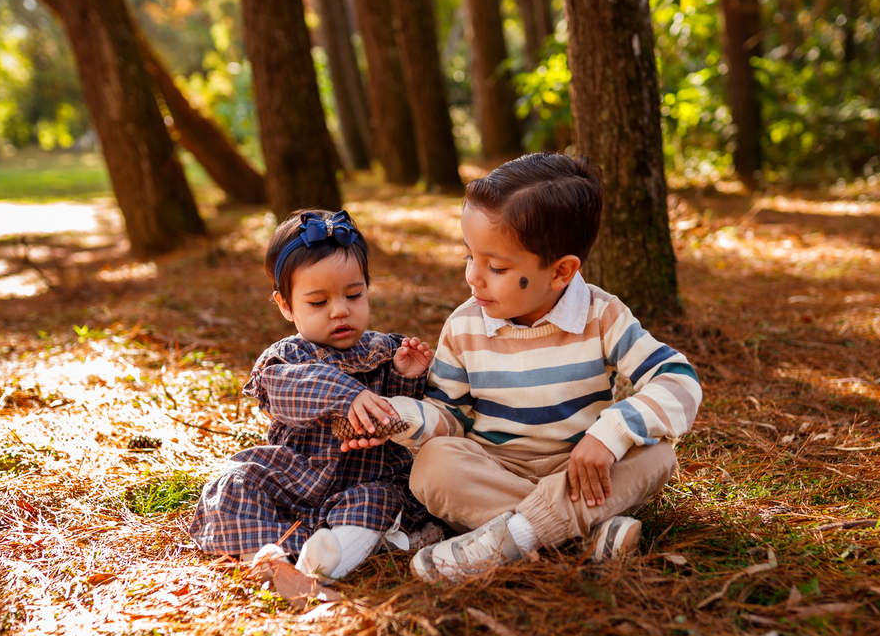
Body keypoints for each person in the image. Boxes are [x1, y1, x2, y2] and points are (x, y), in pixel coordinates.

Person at [343, 153, 702, 581]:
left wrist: (611, 435)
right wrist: (400, 416)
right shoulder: (464, 326)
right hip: (496, 471)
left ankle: (511, 537)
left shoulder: (601, 316)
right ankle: (575, 536)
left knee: (657, 454)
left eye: (496, 267)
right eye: (468, 256)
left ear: (561, 272)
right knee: (434, 465)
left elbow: (678, 381)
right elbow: (449, 418)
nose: (473, 277)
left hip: (581, 470)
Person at [188, 209, 438, 581]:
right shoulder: (286, 358)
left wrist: (406, 376)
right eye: (318, 303)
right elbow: (292, 389)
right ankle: (264, 554)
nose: (340, 310)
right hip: (299, 471)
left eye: (354, 294)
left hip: (366, 479)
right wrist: (346, 395)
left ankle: (326, 563)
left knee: (379, 501)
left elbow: (404, 420)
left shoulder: (385, 351)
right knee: (235, 481)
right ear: (286, 306)